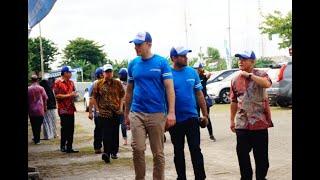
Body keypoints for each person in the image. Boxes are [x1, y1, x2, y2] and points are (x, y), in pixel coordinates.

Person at [125, 31, 176, 180]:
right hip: (137, 112)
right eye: (135, 45)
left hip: (157, 113)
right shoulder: (133, 64)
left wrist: (171, 112)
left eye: (139, 44)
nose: (136, 48)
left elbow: (169, 88)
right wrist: (126, 113)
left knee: (158, 153)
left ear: (149, 44)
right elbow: (129, 90)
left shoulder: (161, 63)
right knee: (138, 149)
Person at [230, 50, 273, 180]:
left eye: (244, 59)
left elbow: (267, 84)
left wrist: (249, 75)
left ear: (252, 61)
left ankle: (261, 177)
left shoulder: (261, 74)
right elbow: (233, 101)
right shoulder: (235, 79)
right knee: (242, 155)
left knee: (261, 158)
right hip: (242, 124)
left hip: (259, 124)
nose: (240, 61)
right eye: (239, 59)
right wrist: (232, 121)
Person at [169, 46, 207, 180]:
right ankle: (181, 177)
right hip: (175, 120)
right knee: (178, 151)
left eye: (186, 55)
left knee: (195, 149)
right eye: (182, 55)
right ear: (174, 58)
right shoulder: (167, 73)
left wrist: (205, 115)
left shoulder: (192, 72)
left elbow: (199, 94)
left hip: (192, 118)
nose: (186, 58)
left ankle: (200, 177)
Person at [92, 64, 125, 163]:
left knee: (115, 132)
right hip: (104, 113)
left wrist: (120, 107)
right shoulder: (98, 84)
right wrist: (97, 109)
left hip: (116, 111)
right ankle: (106, 153)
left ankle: (114, 152)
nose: (108, 73)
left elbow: (122, 95)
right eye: (106, 72)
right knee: (106, 133)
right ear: (103, 73)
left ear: (113, 73)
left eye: (110, 71)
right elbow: (94, 97)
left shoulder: (117, 83)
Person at [53, 66, 79, 153]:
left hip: (71, 108)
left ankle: (69, 147)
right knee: (64, 128)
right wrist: (69, 95)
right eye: (69, 72)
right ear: (65, 73)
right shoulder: (58, 82)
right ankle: (62, 146)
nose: (71, 74)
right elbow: (57, 96)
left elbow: (74, 93)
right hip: (63, 109)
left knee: (71, 128)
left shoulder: (71, 83)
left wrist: (75, 95)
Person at [193, 62, 216, 141]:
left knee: (206, 117)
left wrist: (203, 69)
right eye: (194, 68)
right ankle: (196, 137)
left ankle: (211, 135)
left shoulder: (203, 76)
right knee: (196, 118)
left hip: (204, 100)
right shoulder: (193, 77)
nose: (196, 70)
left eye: (197, 68)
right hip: (195, 100)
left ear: (200, 68)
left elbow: (209, 74)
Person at [88, 67, 104, 154]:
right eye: (103, 73)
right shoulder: (94, 84)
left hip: (106, 112)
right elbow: (91, 99)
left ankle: (104, 147)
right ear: (101, 75)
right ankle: (97, 147)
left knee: (104, 130)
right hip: (98, 112)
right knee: (98, 130)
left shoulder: (106, 83)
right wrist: (90, 112)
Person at [28, 75, 48, 144]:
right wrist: (45, 107)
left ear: (31, 80)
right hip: (40, 109)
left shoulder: (28, 89)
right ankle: (37, 140)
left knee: (33, 125)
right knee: (39, 125)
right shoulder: (41, 88)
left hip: (31, 110)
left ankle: (35, 138)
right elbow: (45, 98)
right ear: (37, 80)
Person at [39, 74, 58, 140]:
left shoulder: (42, 85)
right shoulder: (50, 86)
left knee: (46, 121)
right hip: (52, 106)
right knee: (52, 121)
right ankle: (54, 134)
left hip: (46, 106)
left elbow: (44, 98)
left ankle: (48, 135)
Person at [118, 67, 128, 145]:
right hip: (123, 106)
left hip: (122, 105)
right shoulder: (128, 84)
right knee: (123, 123)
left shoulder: (117, 83)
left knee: (123, 123)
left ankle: (125, 139)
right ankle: (125, 139)